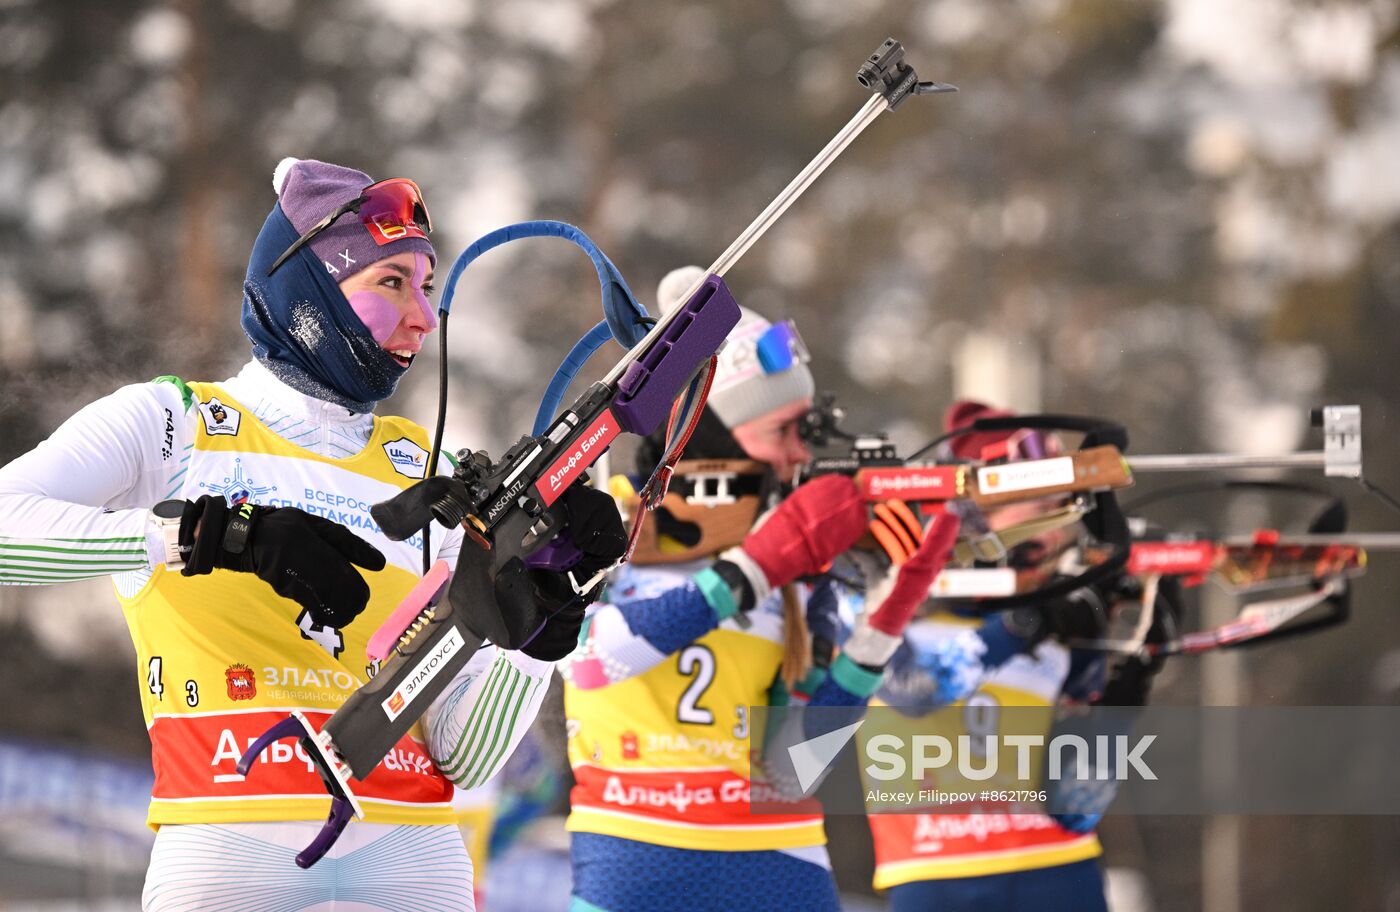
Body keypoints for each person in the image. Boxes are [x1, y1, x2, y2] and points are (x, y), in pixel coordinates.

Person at [0, 158, 615, 911]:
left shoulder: (430, 467)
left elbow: (465, 754)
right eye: (393, 282)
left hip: (411, 855)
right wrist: (218, 535)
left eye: (426, 287)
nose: (423, 318)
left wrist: (546, 618)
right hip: (228, 839)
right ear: (309, 291)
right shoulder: (174, 424)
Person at [556, 268, 961, 912]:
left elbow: (795, 768)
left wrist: (882, 622)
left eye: (805, 432)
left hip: (778, 863)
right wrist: (758, 567)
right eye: (780, 432)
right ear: (708, 432)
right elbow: (591, 660)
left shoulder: (800, 557)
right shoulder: (609, 521)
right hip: (634, 856)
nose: (798, 455)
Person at [861, 400, 1126, 912]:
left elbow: (1079, 805)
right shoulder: (892, 600)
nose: (1054, 532)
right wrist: (1020, 626)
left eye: (1061, 510)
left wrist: (1133, 673)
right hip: (933, 871)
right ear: (976, 516)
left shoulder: (1059, 624)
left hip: (1055, 870)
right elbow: (914, 692)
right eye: (1037, 508)